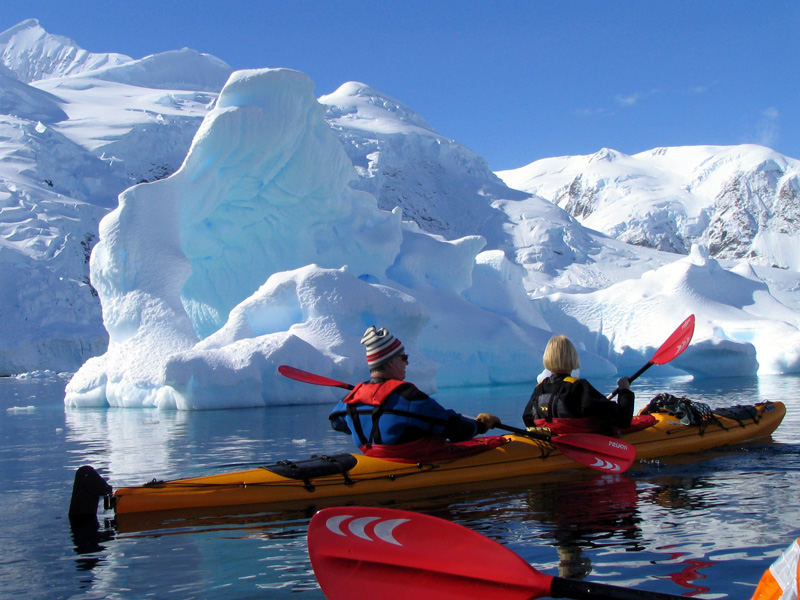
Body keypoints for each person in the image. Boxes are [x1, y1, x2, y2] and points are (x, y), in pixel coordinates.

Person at [329, 326, 503, 461]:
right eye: (403, 358)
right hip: (414, 462)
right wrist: (480, 425)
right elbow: (454, 428)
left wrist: (367, 417)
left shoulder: (353, 397)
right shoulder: (407, 397)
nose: (407, 363)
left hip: (376, 459)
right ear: (390, 362)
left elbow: (337, 423)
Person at [522, 335, 634, 435]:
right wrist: (625, 391)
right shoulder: (578, 387)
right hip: (577, 441)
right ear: (573, 357)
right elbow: (623, 420)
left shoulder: (540, 387)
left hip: (551, 439)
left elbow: (527, 418)